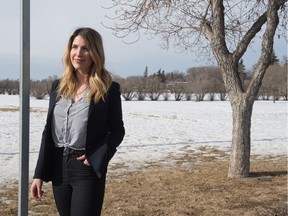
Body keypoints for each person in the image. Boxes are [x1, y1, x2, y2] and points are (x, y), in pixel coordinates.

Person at [30, 27, 125, 216]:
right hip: (58, 166)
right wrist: (39, 174)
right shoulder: (58, 86)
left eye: (85, 48)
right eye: (74, 47)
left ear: (95, 53)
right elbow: (48, 131)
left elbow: (117, 131)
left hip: (85, 168)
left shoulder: (108, 88)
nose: (78, 53)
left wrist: (98, 156)